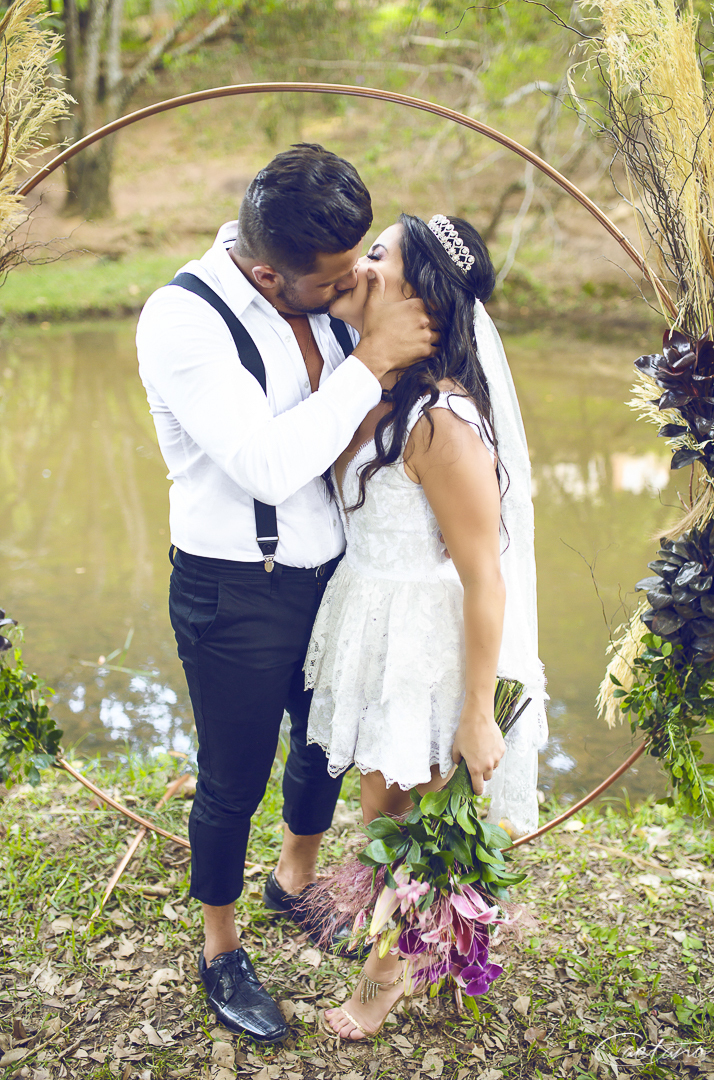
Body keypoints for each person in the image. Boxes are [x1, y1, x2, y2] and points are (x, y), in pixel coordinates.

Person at [136, 145, 437, 1043]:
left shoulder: (323, 294)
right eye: (337, 280)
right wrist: (371, 359)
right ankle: (221, 949)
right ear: (269, 273)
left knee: (324, 748)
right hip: (237, 587)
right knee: (232, 779)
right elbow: (267, 465)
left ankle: (293, 879)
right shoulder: (182, 320)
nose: (355, 288)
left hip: (337, 576)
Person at [302, 213, 547, 1040]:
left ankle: (386, 976)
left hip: (427, 641)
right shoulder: (370, 385)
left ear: (420, 295)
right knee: (381, 807)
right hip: (373, 621)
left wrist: (478, 712)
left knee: (417, 820)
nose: (359, 264)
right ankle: (416, 942)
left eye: (378, 254)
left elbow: (484, 575)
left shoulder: (442, 421)